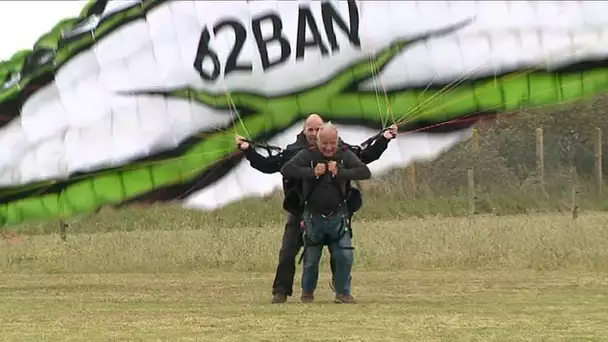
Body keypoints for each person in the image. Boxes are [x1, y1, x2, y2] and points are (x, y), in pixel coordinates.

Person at [236, 114, 397, 303]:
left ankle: (341, 292)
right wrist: (248, 150)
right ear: (304, 131)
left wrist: (384, 139)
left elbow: (366, 158)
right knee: (289, 251)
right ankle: (281, 291)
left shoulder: (341, 150)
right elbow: (268, 165)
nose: (314, 133)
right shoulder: (295, 153)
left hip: (335, 212)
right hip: (301, 211)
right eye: (310, 129)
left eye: (317, 129)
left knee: (341, 252)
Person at [280, 122, 371, 303]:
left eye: (332, 143)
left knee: (345, 255)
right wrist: (312, 172)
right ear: (317, 141)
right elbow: (287, 169)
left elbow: (364, 172)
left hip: (339, 217)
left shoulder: (344, 154)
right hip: (313, 218)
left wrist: (341, 172)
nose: (329, 147)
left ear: (337, 141)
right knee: (312, 260)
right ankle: (307, 292)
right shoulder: (307, 155)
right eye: (324, 144)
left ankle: (343, 293)